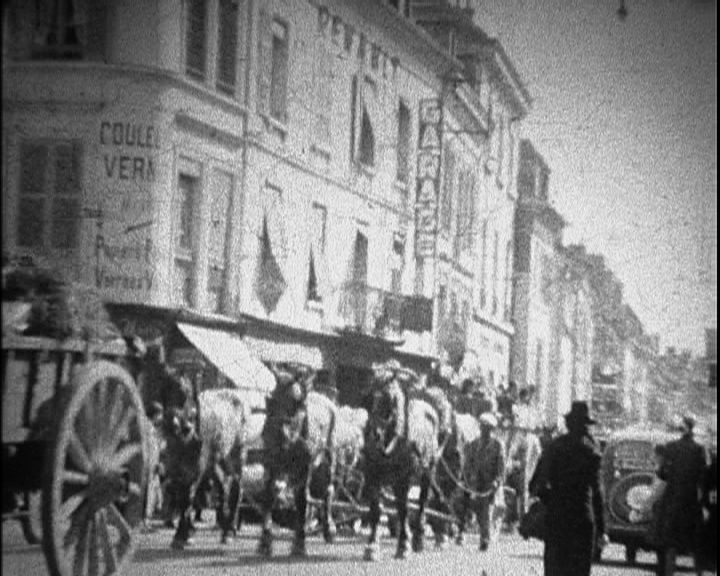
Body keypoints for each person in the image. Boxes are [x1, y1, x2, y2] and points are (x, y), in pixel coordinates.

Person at [531, 401, 606, 576]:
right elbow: (597, 492)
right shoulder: (591, 451)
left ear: (568, 424)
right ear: (585, 426)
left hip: (557, 516)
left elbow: (536, 484)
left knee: (555, 569)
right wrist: (602, 529)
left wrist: (552, 499)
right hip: (582, 517)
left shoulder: (554, 447)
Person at [655, 414, 709, 576]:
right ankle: (699, 572)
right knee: (696, 543)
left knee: (671, 543)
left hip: (672, 501)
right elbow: (704, 477)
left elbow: (662, 473)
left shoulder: (671, 447)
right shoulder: (700, 450)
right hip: (691, 502)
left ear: (681, 428)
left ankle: (668, 573)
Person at [466, 412, 506, 552]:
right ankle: (484, 534)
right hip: (477, 483)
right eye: (482, 428)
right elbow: (468, 463)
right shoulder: (473, 445)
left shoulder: (497, 445)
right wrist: (469, 477)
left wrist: (497, 482)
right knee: (478, 511)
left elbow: (501, 468)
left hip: (491, 484)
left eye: (487, 428)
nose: (484, 431)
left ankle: (485, 539)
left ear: (491, 429)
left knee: (487, 511)